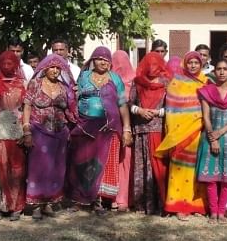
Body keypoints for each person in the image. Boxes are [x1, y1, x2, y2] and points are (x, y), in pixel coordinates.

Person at [66, 46, 132, 214]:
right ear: (93, 61)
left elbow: (122, 105)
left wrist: (126, 129)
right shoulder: (84, 76)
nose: (103, 62)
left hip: (108, 128)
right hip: (85, 127)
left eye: (106, 60)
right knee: (82, 162)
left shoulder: (115, 79)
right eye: (99, 59)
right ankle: (78, 201)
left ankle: (98, 202)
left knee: (102, 165)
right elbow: (73, 97)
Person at [22, 54, 78, 220]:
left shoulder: (63, 87)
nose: (55, 71)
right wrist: (26, 131)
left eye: (58, 68)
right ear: (44, 68)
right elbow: (26, 107)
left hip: (60, 133)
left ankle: (49, 203)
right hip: (39, 131)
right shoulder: (35, 84)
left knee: (56, 169)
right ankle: (36, 205)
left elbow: (70, 108)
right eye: (52, 67)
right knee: (38, 168)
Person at [155, 51, 208, 221]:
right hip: (179, 133)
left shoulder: (206, 82)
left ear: (201, 64)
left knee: (195, 169)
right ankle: (178, 205)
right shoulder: (176, 82)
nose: (193, 66)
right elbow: (171, 108)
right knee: (178, 169)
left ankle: (195, 203)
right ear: (185, 64)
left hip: (198, 131)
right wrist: (175, 130)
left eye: (196, 63)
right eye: (190, 62)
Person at [196, 59, 227, 224]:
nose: (222, 72)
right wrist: (212, 138)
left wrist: (220, 133)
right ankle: (213, 212)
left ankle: (222, 212)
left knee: (226, 178)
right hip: (210, 137)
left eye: (225, 69)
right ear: (214, 72)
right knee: (211, 178)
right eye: (219, 69)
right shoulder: (207, 91)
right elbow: (206, 117)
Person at [0, 51, 27, 221]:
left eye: (11, 63)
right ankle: (0, 206)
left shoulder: (23, 84)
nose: (7, 67)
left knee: (17, 170)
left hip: (18, 132)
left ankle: (16, 207)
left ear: (16, 65)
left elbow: (27, 109)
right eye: (4, 63)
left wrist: (27, 131)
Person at [129, 52, 171, 214]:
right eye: (149, 64)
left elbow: (172, 107)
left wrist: (157, 112)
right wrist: (139, 110)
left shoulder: (167, 83)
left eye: (156, 65)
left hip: (159, 130)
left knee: (159, 168)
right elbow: (129, 104)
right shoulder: (138, 82)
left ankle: (161, 205)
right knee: (142, 167)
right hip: (141, 131)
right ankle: (143, 205)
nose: (153, 69)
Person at [111, 50, 136, 211]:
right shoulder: (108, 80)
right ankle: (115, 198)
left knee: (124, 162)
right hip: (115, 128)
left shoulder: (134, 82)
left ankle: (122, 199)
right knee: (117, 163)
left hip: (127, 127)